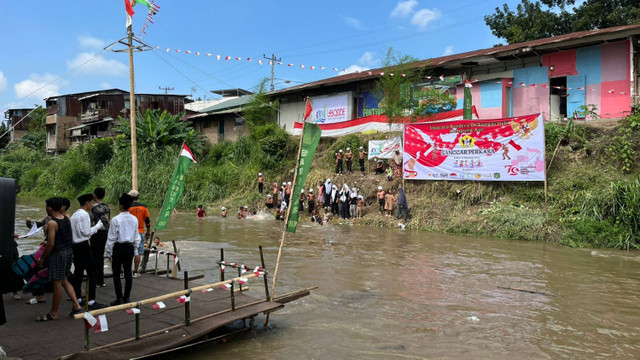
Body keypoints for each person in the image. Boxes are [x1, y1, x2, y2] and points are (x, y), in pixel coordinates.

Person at [35, 197, 83, 321]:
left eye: (46, 207)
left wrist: (42, 257)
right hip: (68, 252)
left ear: (49, 208)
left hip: (58, 254)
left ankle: (54, 313)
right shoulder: (66, 218)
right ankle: (76, 305)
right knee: (64, 280)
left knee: (57, 283)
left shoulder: (52, 223)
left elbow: (51, 244)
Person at [71, 194, 105, 310]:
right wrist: (98, 226)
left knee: (78, 272)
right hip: (84, 245)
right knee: (93, 272)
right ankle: (91, 300)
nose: (92, 204)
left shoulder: (75, 214)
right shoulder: (84, 215)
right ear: (87, 203)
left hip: (75, 246)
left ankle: (78, 298)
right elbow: (86, 232)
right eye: (91, 202)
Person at [106, 193, 140, 306]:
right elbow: (136, 236)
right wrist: (135, 249)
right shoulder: (134, 219)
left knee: (116, 273)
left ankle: (119, 298)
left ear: (120, 206)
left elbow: (111, 237)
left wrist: (109, 252)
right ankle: (127, 297)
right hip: (130, 247)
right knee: (128, 273)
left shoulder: (116, 219)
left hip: (118, 248)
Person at [90, 187, 110, 288]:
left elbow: (92, 223)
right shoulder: (107, 206)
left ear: (95, 196)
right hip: (105, 233)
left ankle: (97, 279)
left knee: (95, 256)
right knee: (100, 255)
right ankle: (101, 280)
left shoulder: (93, 208)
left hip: (96, 233)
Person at [128, 190, 150, 277]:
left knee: (129, 252)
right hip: (140, 232)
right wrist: (148, 230)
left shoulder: (128, 207)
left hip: (130, 233)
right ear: (138, 197)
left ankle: (125, 271)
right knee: (138, 253)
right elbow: (147, 220)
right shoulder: (143, 207)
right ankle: (135, 271)